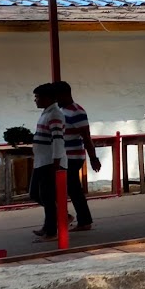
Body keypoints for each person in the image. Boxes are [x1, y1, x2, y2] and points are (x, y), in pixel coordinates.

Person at [55, 81, 102, 233]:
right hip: (64, 156)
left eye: (57, 95)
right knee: (73, 189)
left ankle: (83, 220)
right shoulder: (60, 111)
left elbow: (86, 136)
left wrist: (93, 158)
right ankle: (83, 220)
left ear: (65, 94)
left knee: (73, 189)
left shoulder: (77, 112)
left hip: (73, 156)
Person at [30, 83, 67, 240]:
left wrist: (56, 162)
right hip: (41, 161)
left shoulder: (55, 115)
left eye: (38, 97)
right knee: (36, 194)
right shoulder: (46, 114)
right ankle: (57, 218)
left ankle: (51, 229)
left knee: (47, 196)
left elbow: (58, 140)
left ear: (48, 98)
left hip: (49, 162)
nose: (36, 100)